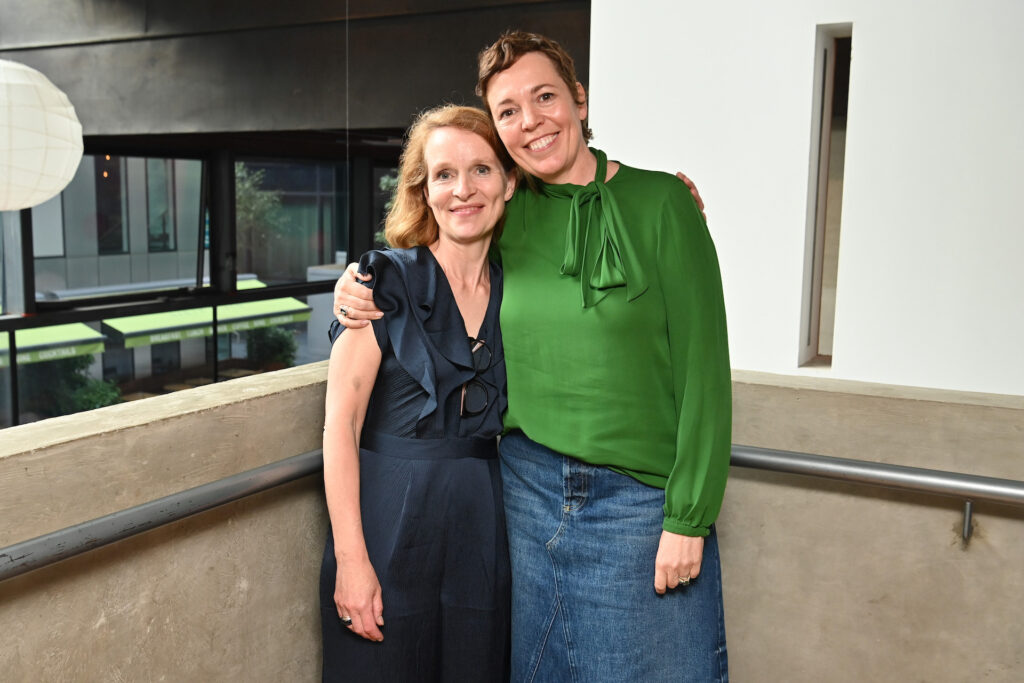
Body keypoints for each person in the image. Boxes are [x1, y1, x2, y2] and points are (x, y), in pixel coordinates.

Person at [334, 31, 731, 683]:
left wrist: (690, 514)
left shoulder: (663, 203)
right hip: (523, 493)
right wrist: (356, 282)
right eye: (508, 111)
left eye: (544, 96)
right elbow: (437, 249)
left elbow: (705, 375)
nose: (530, 120)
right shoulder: (508, 212)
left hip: (638, 504)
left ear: (578, 99)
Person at [319, 104, 516, 682]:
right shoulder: (384, 281)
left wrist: (669, 194)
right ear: (423, 190)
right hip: (386, 522)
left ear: (508, 182)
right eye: (444, 174)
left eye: (481, 169)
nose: (463, 190)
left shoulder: (522, 287)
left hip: (483, 529)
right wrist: (352, 560)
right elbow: (340, 427)